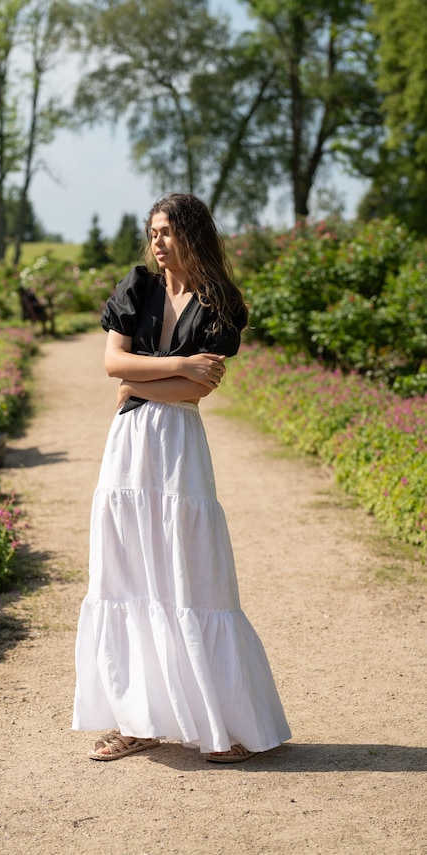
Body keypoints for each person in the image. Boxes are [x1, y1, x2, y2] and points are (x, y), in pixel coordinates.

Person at [72, 192, 291, 762]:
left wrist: (141, 383)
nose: (157, 241)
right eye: (153, 231)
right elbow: (112, 365)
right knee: (127, 574)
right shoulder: (137, 288)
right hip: (127, 448)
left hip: (178, 446)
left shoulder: (220, 302)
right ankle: (135, 720)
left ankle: (229, 724)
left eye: (167, 230)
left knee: (192, 577)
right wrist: (175, 365)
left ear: (193, 235)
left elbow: (198, 389)